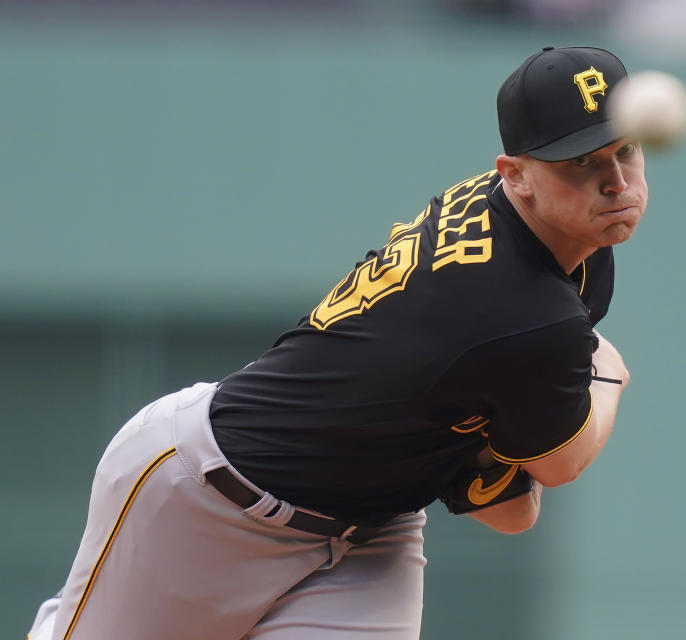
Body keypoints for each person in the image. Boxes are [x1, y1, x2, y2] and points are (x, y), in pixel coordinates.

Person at [28, 45, 645, 640]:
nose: (614, 181)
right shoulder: (526, 312)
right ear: (513, 175)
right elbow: (557, 466)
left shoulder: (555, 244)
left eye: (625, 152)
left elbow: (505, 507)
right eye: (579, 163)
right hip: (209, 498)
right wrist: (607, 373)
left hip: (370, 534)